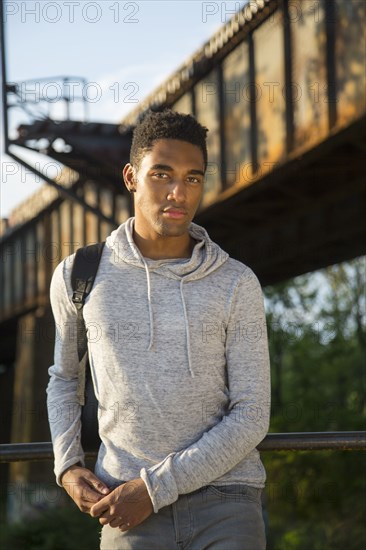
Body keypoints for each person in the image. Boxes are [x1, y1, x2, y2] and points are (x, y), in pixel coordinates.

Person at [46, 108, 271, 549]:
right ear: (131, 177)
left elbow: (252, 414)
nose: (177, 193)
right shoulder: (80, 275)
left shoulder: (236, 282)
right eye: (162, 175)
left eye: (192, 178)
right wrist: (68, 466)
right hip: (123, 504)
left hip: (226, 500)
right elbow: (64, 379)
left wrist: (154, 489)